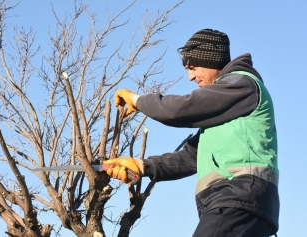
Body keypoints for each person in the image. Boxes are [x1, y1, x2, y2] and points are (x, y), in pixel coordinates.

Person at [104, 29, 279, 237]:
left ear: (212, 60)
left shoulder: (241, 84)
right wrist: (141, 166)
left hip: (239, 197)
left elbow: (180, 110)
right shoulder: (225, 110)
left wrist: (137, 100)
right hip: (234, 203)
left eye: (193, 67)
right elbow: (190, 157)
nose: (190, 76)